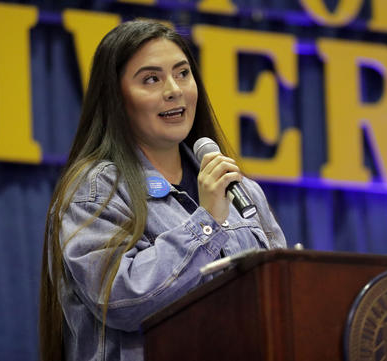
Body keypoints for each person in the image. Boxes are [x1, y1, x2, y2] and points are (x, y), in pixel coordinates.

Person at [39, 20, 286, 361]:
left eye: (183, 73)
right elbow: (122, 300)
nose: (174, 89)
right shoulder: (96, 190)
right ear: (116, 98)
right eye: (151, 79)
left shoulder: (241, 190)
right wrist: (207, 222)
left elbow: (281, 297)